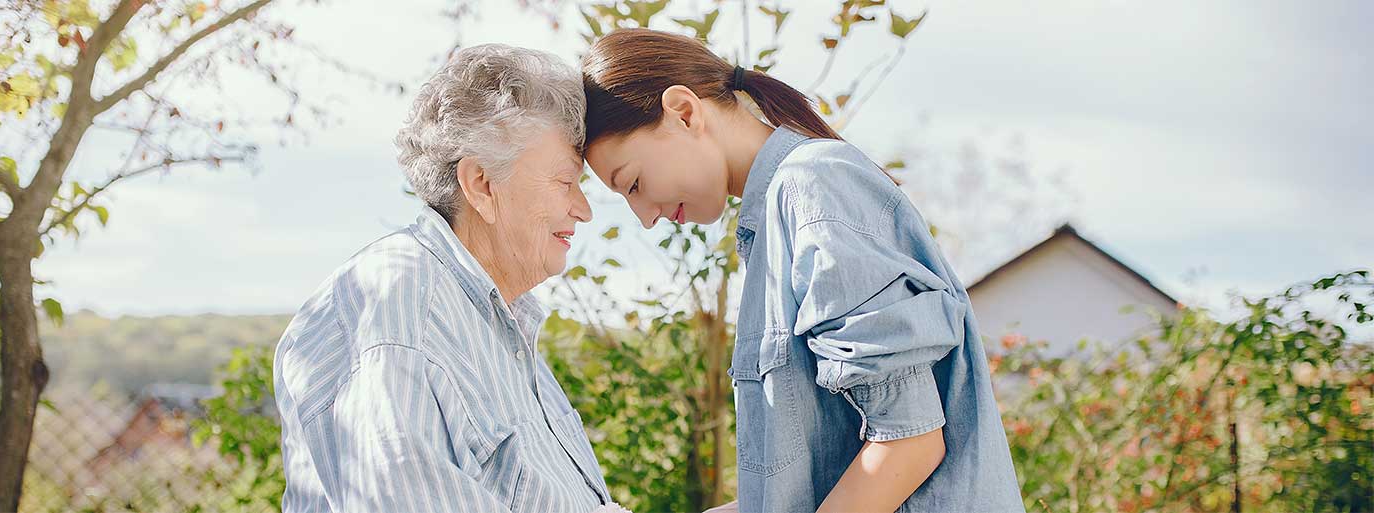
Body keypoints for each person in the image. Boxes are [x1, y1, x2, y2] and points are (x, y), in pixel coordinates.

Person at [581, 28, 1025, 513]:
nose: (644, 216)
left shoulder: (814, 188)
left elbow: (908, 442)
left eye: (634, 183)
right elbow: (821, 477)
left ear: (684, 113)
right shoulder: (775, 217)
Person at [274, 43, 613, 512]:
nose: (583, 209)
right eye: (564, 181)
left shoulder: (493, 323)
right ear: (481, 184)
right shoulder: (401, 306)